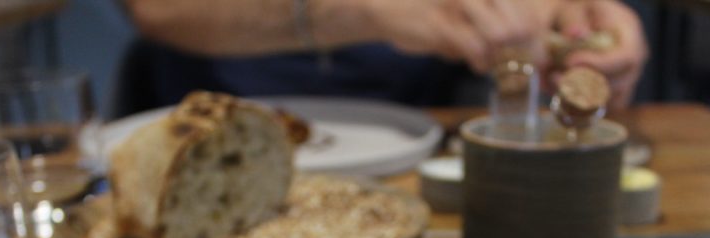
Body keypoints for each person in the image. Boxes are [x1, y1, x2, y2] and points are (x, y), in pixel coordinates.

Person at [116, 0, 647, 113]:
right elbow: (157, 9)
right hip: (207, 121)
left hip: (422, 134)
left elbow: (556, 8)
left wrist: (582, 23)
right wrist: (364, 10)